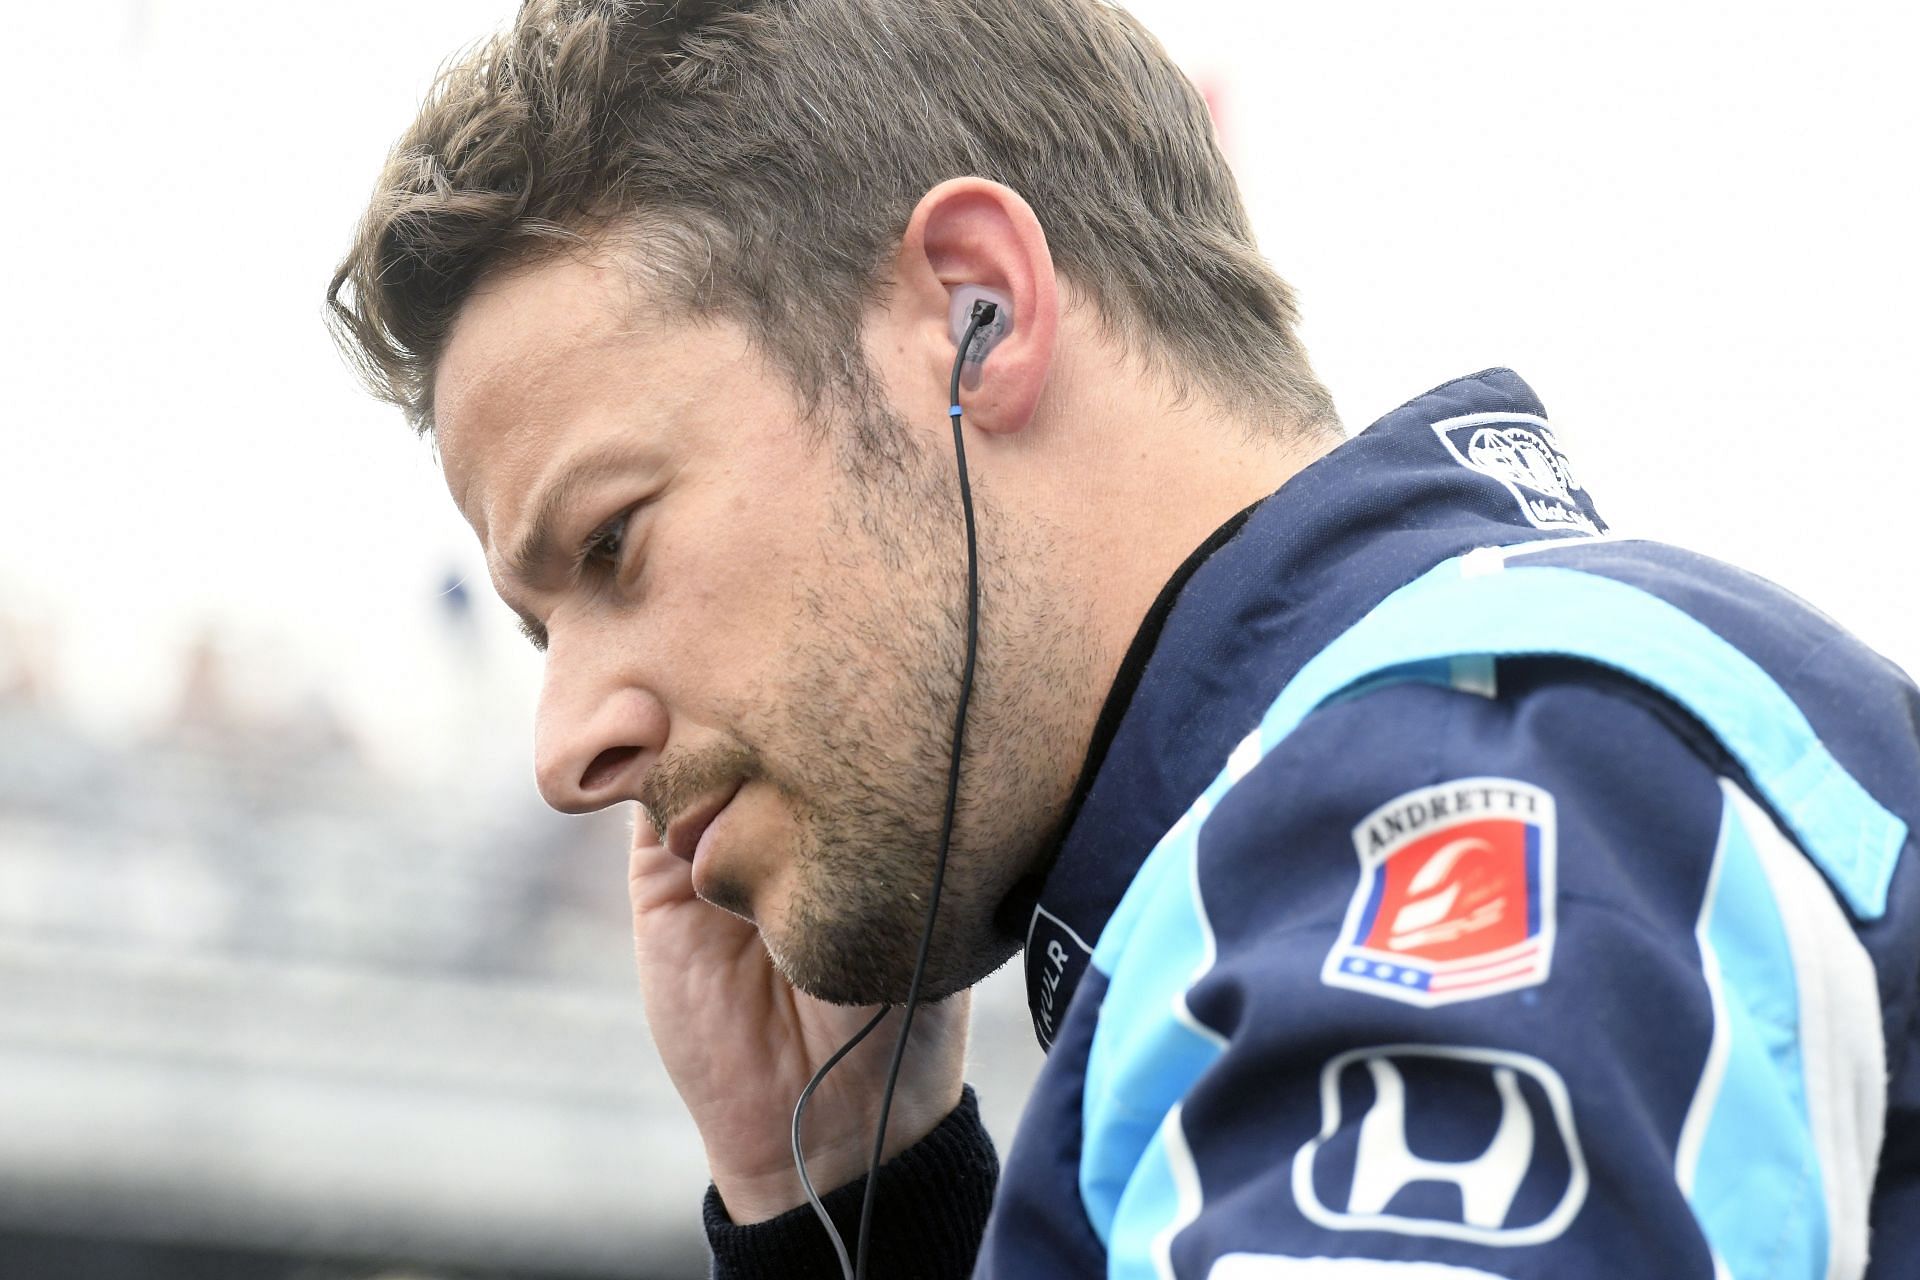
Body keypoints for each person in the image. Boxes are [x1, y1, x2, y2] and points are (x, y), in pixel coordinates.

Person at [326, 1, 1920, 1276]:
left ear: (977, 314)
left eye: (614, 545)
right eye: (540, 631)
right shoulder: (1466, 778)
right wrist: (854, 1203)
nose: (566, 750)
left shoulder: (1454, 793)